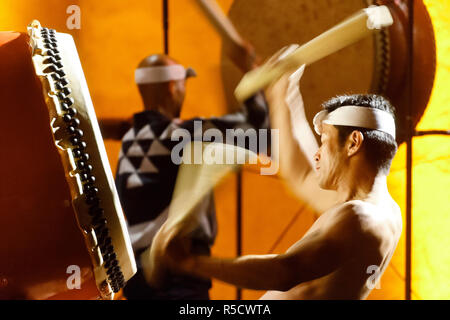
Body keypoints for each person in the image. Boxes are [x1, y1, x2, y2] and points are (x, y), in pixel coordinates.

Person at [149, 61, 403, 300]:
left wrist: (189, 262)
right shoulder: (373, 206)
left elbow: (285, 271)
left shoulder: (360, 219)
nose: (316, 153)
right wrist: (285, 96)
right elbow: (301, 173)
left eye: (324, 142)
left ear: (353, 143)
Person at [115, 47, 268, 300]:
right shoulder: (182, 133)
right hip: (178, 275)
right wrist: (252, 76)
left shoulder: (130, 141)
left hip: (136, 279)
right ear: (172, 87)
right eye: (183, 84)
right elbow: (257, 131)